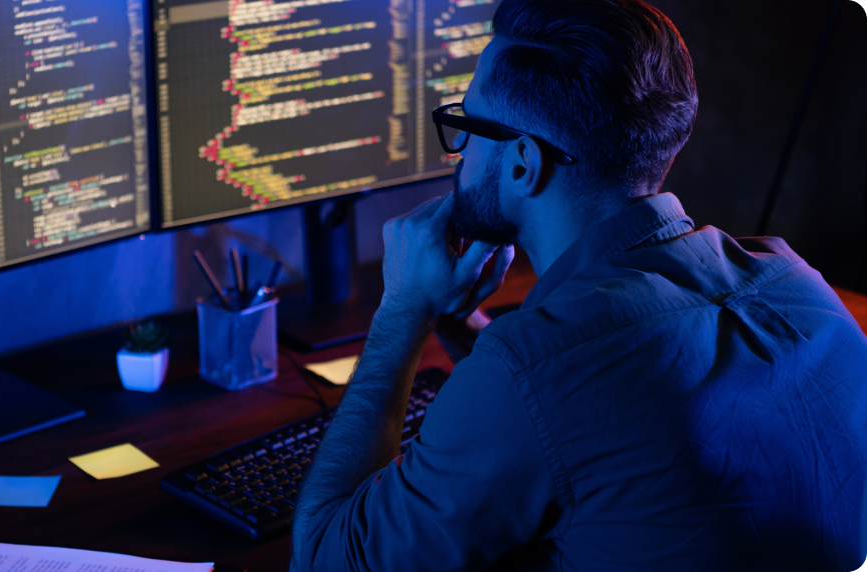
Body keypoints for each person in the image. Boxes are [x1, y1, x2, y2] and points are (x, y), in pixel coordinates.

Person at [290, 0, 867, 570]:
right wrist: (462, 325)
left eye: (465, 125)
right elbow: (578, 405)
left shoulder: (533, 369)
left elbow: (322, 558)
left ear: (522, 164)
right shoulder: (804, 290)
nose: (460, 153)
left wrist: (402, 311)